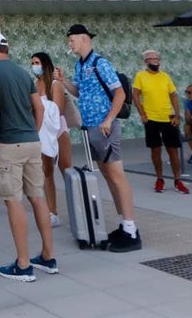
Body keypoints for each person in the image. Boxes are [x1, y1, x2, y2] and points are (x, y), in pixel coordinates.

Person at [56, 24, 141, 252]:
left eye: (72, 40)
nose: (70, 44)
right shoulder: (80, 64)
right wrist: (64, 82)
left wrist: (108, 119)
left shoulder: (100, 63)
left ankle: (131, 229)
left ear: (83, 39)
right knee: (107, 174)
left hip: (105, 128)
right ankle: (125, 224)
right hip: (92, 128)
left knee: (116, 175)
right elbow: (79, 92)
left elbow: (120, 93)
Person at [0, 31, 55, 282]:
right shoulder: (24, 73)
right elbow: (40, 108)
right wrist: (32, 131)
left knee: (13, 201)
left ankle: (23, 265)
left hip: (9, 144)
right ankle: (47, 256)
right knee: (37, 198)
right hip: (33, 142)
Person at [132, 49, 188, 194]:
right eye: (152, 59)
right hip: (151, 118)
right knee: (155, 149)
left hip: (168, 117)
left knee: (173, 149)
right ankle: (159, 179)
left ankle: (178, 180)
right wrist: (142, 114)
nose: (156, 61)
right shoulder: (140, 76)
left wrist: (177, 115)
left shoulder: (165, 77)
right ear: (146, 61)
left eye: (157, 58)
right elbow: (135, 95)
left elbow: (174, 95)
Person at [30, 52, 72, 227]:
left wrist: (39, 108)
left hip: (58, 130)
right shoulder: (34, 84)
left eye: (37, 62)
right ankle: (52, 212)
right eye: (32, 63)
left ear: (45, 64)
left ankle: (76, 208)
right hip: (41, 131)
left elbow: (59, 109)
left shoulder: (54, 84)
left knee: (66, 169)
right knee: (46, 171)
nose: (34, 66)